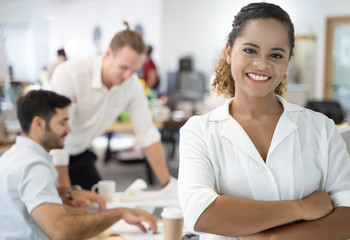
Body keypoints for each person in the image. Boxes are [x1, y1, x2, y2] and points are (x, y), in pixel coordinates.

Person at [178, 2, 350, 240]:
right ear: (229, 52)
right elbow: (201, 214)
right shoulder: (199, 132)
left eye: (276, 55)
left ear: (287, 61)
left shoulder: (322, 129)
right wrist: (301, 208)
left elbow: (347, 217)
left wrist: (272, 238)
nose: (262, 64)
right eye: (250, 50)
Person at [0, 90, 157, 239]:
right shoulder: (34, 166)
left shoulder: (13, 156)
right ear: (39, 124)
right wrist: (119, 213)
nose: (68, 130)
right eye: (63, 123)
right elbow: (62, 232)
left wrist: (68, 195)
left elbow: (34, 207)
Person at [50, 21, 171, 190]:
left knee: (100, 207)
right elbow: (58, 132)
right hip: (48, 155)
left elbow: (147, 134)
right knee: (62, 212)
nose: (127, 76)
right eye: (123, 67)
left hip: (79, 152)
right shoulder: (71, 74)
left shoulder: (132, 84)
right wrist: (64, 190)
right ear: (108, 53)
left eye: (134, 70)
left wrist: (168, 184)